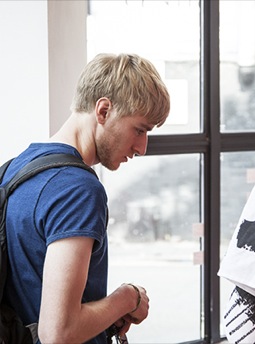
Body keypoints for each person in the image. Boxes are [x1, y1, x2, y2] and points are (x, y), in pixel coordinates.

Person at [2, 53, 170, 343]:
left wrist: (103, 316)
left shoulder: (17, 167)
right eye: (139, 129)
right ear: (103, 111)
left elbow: (33, 291)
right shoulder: (78, 190)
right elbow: (58, 332)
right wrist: (127, 298)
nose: (142, 147)